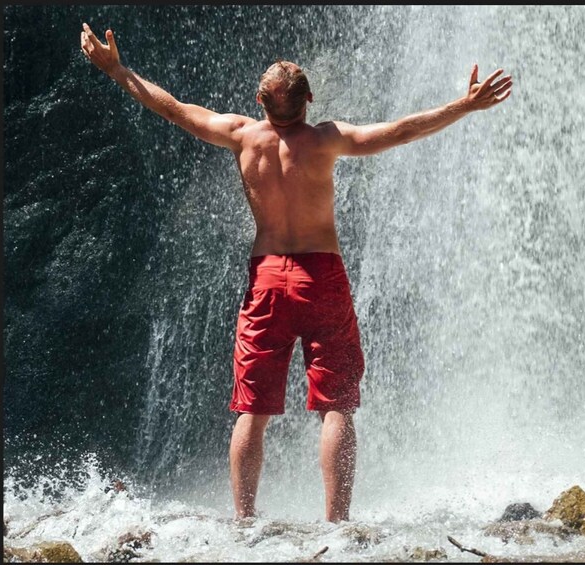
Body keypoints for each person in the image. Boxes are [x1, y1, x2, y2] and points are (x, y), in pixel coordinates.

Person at [80, 22, 512, 523]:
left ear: (258, 101)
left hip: (266, 278)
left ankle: (243, 522)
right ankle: (338, 523)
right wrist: (463, 105)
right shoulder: (328, 139)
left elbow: (173, 108)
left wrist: (117, 70)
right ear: (309, 99)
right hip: (321, 277)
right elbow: (401, 130)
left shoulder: (241, 136)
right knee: (336, 406)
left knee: (251, 410)